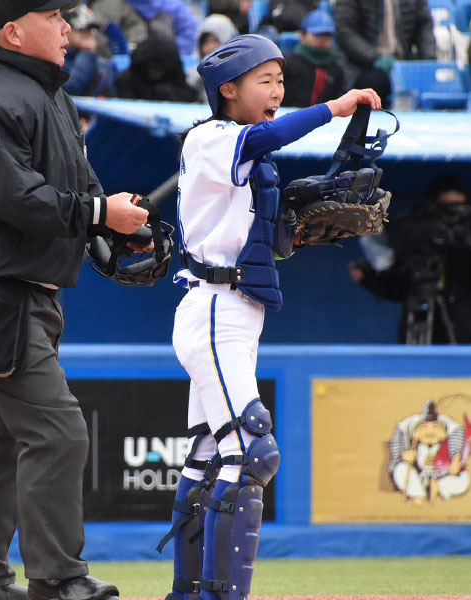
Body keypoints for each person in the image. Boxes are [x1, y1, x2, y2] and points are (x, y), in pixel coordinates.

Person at [0, 0, 151, 597]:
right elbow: (18, 198)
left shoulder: (51, 95)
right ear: (13, 30)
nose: (67, 28)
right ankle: (57, 580)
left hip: (25, 291)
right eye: (53, 16)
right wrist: (98, 213)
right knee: (59, 434)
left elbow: (77, 183)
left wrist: (105, 225)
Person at [160, 33, 381, 600]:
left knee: (213, 455)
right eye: (266, 80)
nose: (278, 90)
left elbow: (264, 237)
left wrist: (294, 229)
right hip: (214, 308)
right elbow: (268, 134)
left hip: (231, 310)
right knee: (252, 450)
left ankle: (188, 594)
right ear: (227, 90)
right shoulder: (212, 137)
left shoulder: (245, 154)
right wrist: (335, 108)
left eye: (281, 80)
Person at [348, 174, 471, 344]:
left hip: (468, 341)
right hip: (425, 336)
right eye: (448, 210)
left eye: (459, 208)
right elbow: (400, 287)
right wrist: (368, 277)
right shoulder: (418, 237)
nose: (454, 216)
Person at [333, 0, 436, 104]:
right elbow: (345, 32)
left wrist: (429, 61)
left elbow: (425, 28)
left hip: (403, 64)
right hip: (361, 66)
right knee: (376, 82)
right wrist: (375, 58)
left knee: (426, 80)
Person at [282, 9, 346, 108]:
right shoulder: (287, 64)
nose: (322, 39)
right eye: (317, 35)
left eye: (327, 36)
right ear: (303, 35)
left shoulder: (336, 70)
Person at [115, 34, 198, 101]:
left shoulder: (178, 84)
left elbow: (187, 97)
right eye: (152, 69)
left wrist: (163, 93)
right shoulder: (127, 81)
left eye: (159, 70)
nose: (155, 74)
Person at [61, 3, 116, 97]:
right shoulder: (57, 58)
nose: (88, 34)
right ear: (67, 29)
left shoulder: (99, 60)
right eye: (82, 30)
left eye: (90, 29)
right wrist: (88, 53)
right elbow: (72, 88)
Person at [186, 14, 239, 102]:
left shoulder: (239, 78)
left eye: (215, 41)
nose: (209, 48)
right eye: (206, 42)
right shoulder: (193, 78)